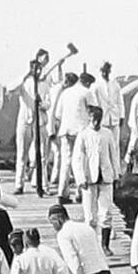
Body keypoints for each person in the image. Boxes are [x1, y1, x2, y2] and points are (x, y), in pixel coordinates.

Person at [71, 104, 121, 250]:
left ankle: (105, 246)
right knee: (90, 216)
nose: (96, 121)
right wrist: (80, 179)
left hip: (105, 179)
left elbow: (114, 154)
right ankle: (91, 247)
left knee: (106, 213)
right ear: (89, 118)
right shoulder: (83, 135)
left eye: (99, 118)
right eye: (93, 118)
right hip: (89, 180)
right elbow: (77, 159)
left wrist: (115, 174)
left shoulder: (107, 134)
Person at [14, 48, 51, 194]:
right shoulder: (25, 83)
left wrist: (41, 104)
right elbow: (11, 88)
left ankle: (43, 185)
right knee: (22, 154)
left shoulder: (43, 84)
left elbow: (48, 103)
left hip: (40, 121)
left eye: (38, 69)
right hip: (25, 120)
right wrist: (25, 75)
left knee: (42, 155)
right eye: (34, 69)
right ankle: (19, 184)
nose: (36, 71)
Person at [54, 71, 93, 200]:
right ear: (86, 83)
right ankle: (80, 193)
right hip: (80, 131)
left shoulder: (66, 93)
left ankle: (62, 193)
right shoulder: (86, 93)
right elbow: (94, 111)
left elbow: (58, 114)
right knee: (80, 162)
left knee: (66, 162)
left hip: (65, 131)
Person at [92, 61, 125, 159]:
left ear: (109, 70)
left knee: (115, 145)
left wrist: (121, 116)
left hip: (114, 118)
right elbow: (95, 104)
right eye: (103, 70)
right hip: (103, 120)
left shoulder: (115, 84)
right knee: (102, 146)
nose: (104, 72)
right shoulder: (96, 85)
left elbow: (120, 101)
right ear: (100, 70)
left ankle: (116, 171)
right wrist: (96, 120)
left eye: (106, 70)